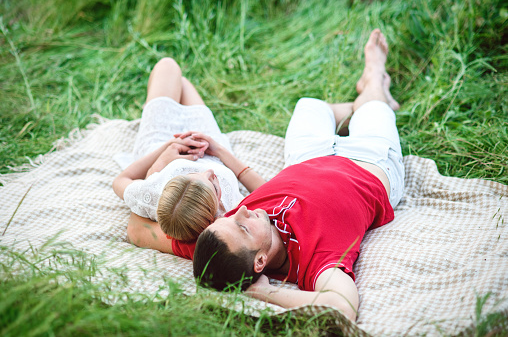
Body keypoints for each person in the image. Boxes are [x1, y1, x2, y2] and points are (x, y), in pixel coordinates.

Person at [191, 29, 405, 322]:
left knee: (309, 105)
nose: (241, 210)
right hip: (369, 163)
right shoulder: (314, 263)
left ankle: (367, 102)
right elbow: (341, 305)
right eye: (242, 228)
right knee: (374, 109)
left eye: (227, 218)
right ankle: (374, 78)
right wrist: (265, 293)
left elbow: (140, 231)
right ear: (260, 262)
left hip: (307, 158)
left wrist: (216, 154)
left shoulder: (215, 249)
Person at [112, 57, 265, 250]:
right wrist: (219, 150)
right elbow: (271, 192)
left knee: (168, 66)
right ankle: (157, 104)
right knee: (182, 83)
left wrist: (165, 153)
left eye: (186, 175)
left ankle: (152, 109)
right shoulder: (233, 212)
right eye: (213, 184)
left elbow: (121, 179)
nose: (208, 172)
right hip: (209, 143)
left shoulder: (152, 195)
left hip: (160, 144)